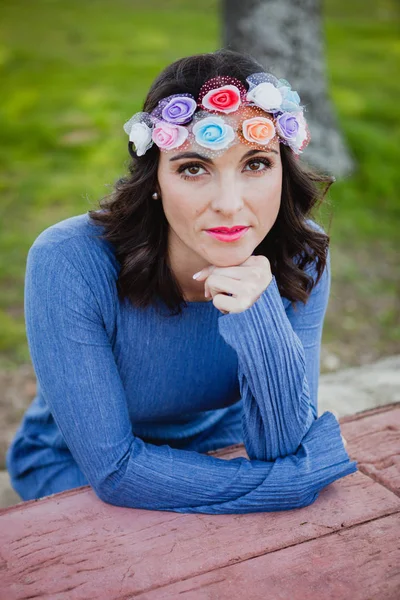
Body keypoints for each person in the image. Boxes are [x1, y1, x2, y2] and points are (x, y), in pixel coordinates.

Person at [6, 49, 357, 514]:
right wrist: (287, 484)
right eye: (194, 168)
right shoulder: (69, 261)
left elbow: (284, 445)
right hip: (78, 466)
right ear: (156, 178)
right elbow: (114, 470)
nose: (230, 205)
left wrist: (260, 312)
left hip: (227, 446)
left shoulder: (301, 255)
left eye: (255, 164)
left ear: (283, 171)